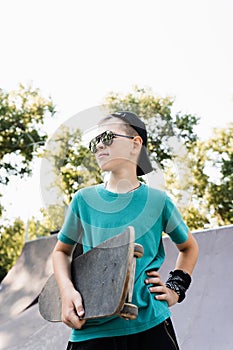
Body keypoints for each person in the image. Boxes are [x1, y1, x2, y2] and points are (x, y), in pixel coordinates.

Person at [52, 111, 199, 350]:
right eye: (95, 141)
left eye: (108, 137)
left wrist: (175, 289)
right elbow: (61, 252)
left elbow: (189, 247)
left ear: (135, 144)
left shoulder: (158, 201)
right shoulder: (83, 200)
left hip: (151, 326)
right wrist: (67, 291)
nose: (99, 145)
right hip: (92, 328)